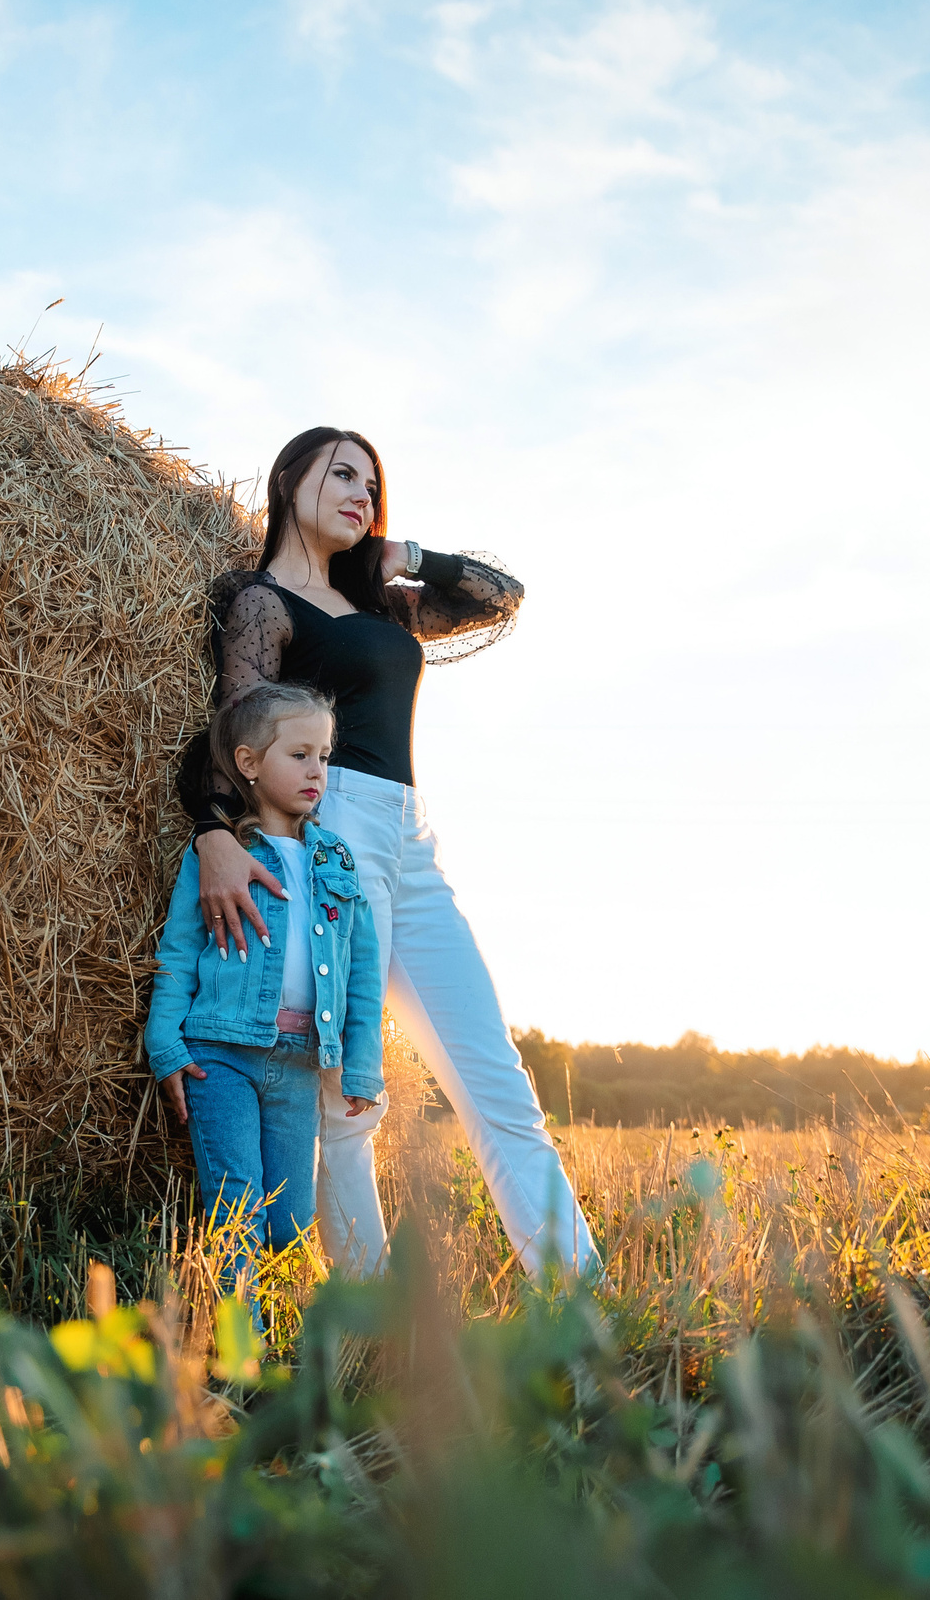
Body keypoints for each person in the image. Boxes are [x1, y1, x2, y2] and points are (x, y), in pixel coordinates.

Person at [176, 426, 597, 1279]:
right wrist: (214, 829)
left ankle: (585, 1301)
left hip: (410, 835)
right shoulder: (262, 603)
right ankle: (367, 1319)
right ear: (289, 479)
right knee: (345, 1100)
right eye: (341, 475)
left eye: (372, 482)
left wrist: (403, 551)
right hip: (333, 829)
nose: (360, 492)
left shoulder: (380, 608)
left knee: (495, 1078)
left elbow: (499, 594)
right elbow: (240, 737)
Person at [145, 683, 383, 1295]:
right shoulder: (220, 854)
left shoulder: (337, 861)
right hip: (221, 1055)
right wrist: (165, 1044)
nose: (317, 771)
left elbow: (361, 974)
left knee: (290, 1222)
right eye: (299, 754)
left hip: (301, 1064)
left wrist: (361, 1066)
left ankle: (278, 1346)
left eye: (325, 757)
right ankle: (239, 1357)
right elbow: (178, 952)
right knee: (237, 1213)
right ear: (249, 763)